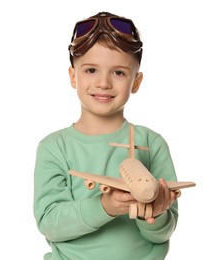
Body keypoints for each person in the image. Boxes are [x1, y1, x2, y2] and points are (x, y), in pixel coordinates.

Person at [34, 11, 179, 260]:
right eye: (91, 70)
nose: (103, 83)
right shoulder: (54, 147)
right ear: (73, 76)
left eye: (119, 72)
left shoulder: (151, 143)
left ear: (136, 82)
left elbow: (162, 234)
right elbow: (49, 223)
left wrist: (154, 214)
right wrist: (104, 206)